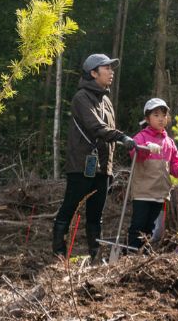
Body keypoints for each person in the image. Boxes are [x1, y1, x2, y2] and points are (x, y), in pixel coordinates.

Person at [53, 54, 135, 260]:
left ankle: (94, 255)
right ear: (93, 73)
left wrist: (111, 162)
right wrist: (123, 137)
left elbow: (108, 132)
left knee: (96, 214)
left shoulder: (106, 100)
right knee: (69, 208)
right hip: (82, 165)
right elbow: (96, 127)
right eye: (106, 68)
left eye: (111, 68)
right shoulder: (81, 98)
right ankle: (59, 253)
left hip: (103, 167)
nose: (111, 72)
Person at [127, 98, 178, 252]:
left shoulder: (169, 142)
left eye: (163, 115)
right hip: (143, 192)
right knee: (138, 225)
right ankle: (130, 255)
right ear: (147, 118)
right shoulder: (141, 137)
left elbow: (175, 168)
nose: (161, 119)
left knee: (150, 227)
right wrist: (145, 148)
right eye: (156, 115)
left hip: (160, 193)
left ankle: (143, 255)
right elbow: (133, 152)